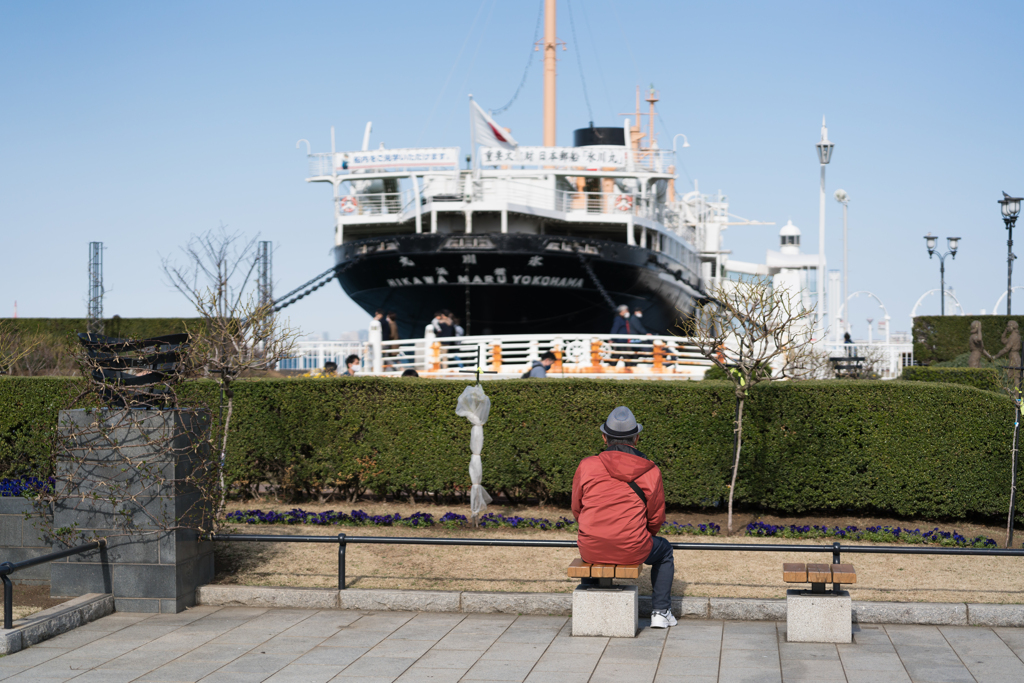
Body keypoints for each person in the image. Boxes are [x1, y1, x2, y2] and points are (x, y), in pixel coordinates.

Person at [572, 406, 676, 628]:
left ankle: (591, 611)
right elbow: (656, 517)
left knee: (594, 543)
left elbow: (577, 508)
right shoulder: (651, 470)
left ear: (604, 437)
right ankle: (660, 612)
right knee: (665, 551)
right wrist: (643, 536)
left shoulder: (587, 465)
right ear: (636, 438)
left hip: (590, 545)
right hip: (633, 546)